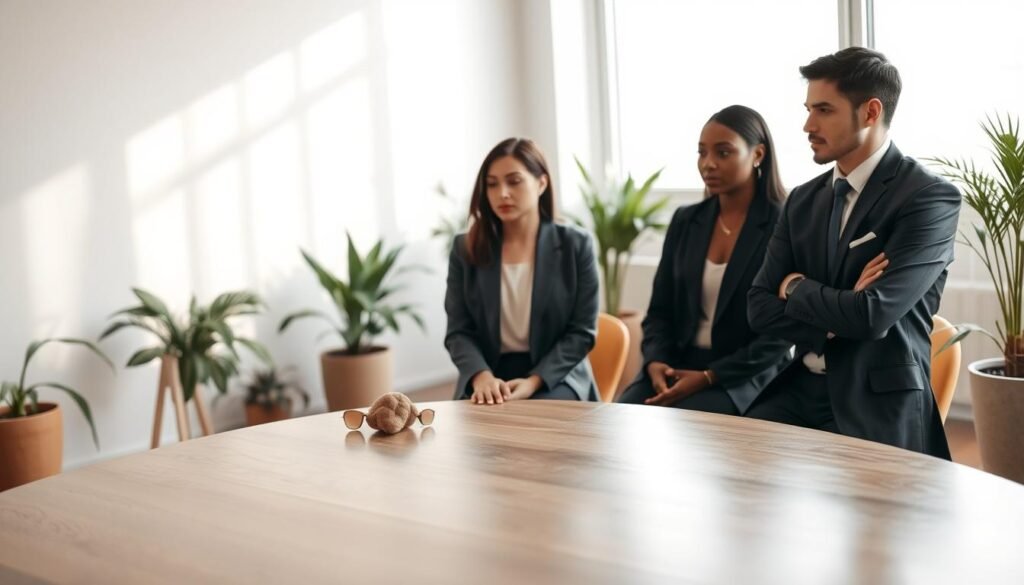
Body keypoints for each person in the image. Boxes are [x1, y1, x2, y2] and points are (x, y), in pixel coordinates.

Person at [746, 47, 961, 459]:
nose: (807, 124)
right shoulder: (802, 200)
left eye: (823, 110)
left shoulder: (929, 198)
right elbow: (757, 306)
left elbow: (871, 315)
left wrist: (795, 286)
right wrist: (835, 316)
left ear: (870, 112)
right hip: (798, 389)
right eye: (808, 109)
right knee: (734, 478)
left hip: (875, 402)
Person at [617, 105, 793, 414]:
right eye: (702, 153)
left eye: (723, 153)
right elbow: (659, 311)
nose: (708, 164)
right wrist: (656, 361)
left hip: (745, 373)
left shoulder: (784, 224)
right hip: (678, 364)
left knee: (699, 423)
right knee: (626, 413)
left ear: (758, 155)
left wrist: (710, 377)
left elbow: (781, 333)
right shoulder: (687, 220)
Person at [444, 137, 599, 404]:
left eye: (514, 181)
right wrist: (481, 377)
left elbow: (582, 332)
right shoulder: (465, 247)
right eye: (492, 184)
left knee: (538, 426)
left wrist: (534, 382)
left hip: (555, 374)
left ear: (541, 183)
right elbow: (459, 331)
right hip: (487, 372)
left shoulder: (576, 244)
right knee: (472, 433)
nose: (502, 193)